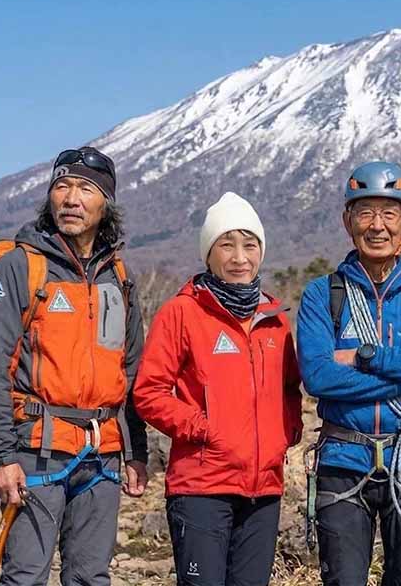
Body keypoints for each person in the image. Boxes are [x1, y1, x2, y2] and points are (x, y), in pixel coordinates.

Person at [0, 146, 149, 585]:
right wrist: (1, 457)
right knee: (26, 576)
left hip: (102, 456)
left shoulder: (119, 277)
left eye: (86, 189)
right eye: (62, 186)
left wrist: (136, 453)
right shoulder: (20, 267)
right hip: (35, 452)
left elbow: (131, 372)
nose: (71, 199)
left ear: (106, 203)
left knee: (91, 577)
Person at [297, 161, 401, 586]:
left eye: (389, 213)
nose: (377, 226)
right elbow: (318, 377)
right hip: (342, 458)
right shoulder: (323, 294)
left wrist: (362, 355)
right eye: (365, 212)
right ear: (347, 220)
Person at [134, 191, 303, 586]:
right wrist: (204, 429)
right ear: (208, 254)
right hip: (201, 486)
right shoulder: (182, 312)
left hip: (264, 488)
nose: (239, 257)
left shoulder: (275, 318)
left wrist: (285, 433)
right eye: (226, 244)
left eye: (250, 245)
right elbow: (149, 392)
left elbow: (290, 388)